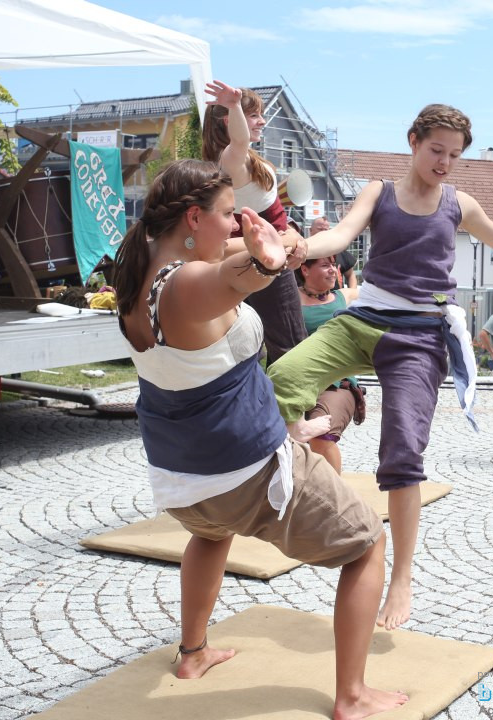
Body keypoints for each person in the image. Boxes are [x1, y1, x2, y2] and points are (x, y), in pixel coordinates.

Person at [268, 103, 493, 631]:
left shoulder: (459, 203)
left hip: (419, 337)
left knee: (402, 450)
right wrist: (300, 247)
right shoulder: (379, 193)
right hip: (364, 319)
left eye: (454, 155)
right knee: (283, 378)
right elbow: (339, 236)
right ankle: (292, 453)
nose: (445, 163)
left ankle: (401, 576)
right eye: (436, 151)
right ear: (413, 141)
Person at [113, 159, 407, 719]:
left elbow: (229, 260)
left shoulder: (140, 272)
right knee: (367, 544)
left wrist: (280, 245)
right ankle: (352, 696)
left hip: (181, 478)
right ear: (194, 218)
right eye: (226, 216)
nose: (232, 226)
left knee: (212, 535)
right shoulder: (188, 285)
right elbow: (230, 275)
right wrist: (267, 262)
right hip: (244, 470)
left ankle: (193, 653)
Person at [203, 80, 308, 366]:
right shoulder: (231, 158)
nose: (262, 121)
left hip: (267, 258)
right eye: (254, 116)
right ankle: (292, 409)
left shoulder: (234, 160)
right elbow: (239, 140)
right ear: (229, 121)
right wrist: (236, 104)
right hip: (263, 262)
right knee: (288, 348)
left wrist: (293, 238)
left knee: (258, 347)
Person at [297, 255, 364, 474]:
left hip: (337, 384)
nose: (333, 270)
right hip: (296, 382)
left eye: (334, 266)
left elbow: (384, 296)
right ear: (305, 270)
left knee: (320, 436)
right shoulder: (288, 299)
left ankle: (335, 497)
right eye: (325, 265)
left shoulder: (344, 297)